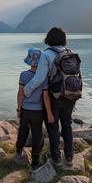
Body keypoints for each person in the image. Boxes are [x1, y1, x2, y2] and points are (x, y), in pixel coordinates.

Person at [23, 27, 77, 167]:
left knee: (53, 127)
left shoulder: (46, 54)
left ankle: (56, 158)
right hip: (71, 96)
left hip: (55, 97)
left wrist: (26, 91)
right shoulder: (70, 53)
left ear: (49, 39)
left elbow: (39, 78)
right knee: (67, 124)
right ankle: (69, 156)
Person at [16, 47, 55, 172]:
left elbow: (20, 93)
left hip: (25, 110)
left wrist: (19, 109)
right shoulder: (43, 78)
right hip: (37, 112)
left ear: (29, 60)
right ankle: (35, 163)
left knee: (23, 131)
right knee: (37, 136)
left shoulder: (23, 74)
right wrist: (49, 113)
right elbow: (45, 97)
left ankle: (18, 151)